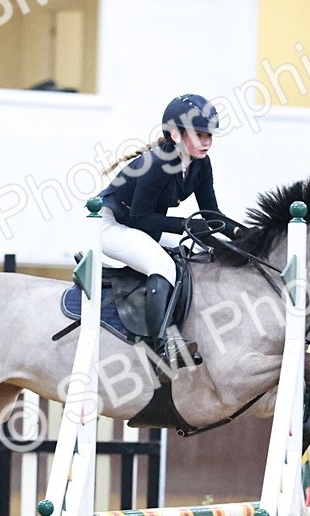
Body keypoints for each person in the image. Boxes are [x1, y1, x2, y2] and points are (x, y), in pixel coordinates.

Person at [98, 94, 244, 373]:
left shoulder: (201, 164)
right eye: (199, 134)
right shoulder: (158, 163)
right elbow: (140, 220)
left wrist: (242, 234)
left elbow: (210, 214)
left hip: (139, 226)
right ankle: (162, 347)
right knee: (163, 265)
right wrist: (188, 226)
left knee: (196, 255)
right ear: (175, 134)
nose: (207, 142)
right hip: (110, 226)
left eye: (209, 135)